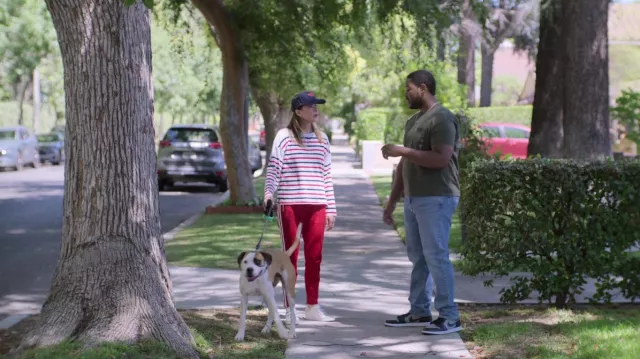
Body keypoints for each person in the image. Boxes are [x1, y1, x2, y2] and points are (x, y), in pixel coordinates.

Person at [380, 70, 461, 335]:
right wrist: (392, 202)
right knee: (418, 258)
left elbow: (441, 159)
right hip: (415, 199)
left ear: (423, 88)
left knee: (436, 256)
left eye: (409, 89)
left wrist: (401, 150)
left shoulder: (442, 118)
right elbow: (405, 163)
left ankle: (449, 316)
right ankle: (419, 311)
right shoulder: (414, 121)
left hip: (437, 197)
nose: (406, 94)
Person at [264, 90, 337, 322]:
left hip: (317, 205)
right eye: (311, 106)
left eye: (317, 105)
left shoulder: (322, 139)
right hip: (290, 205)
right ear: (298, 111)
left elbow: (327, 175)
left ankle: (312, 307)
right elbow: (274, 168)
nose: (316, 109)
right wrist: (268, 193)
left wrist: (331, 208)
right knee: (290, 258)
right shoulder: (284, 137)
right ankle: (290, 308)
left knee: (315, 257)